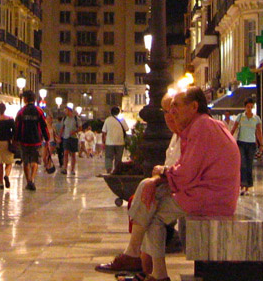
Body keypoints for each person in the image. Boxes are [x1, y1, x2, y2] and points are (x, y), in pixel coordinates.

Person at [95, 87, 240, 281]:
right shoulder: (205, 125)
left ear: (194, 106)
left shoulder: (201, 127)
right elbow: (186, 169)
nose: (171, 113)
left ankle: (141, 261)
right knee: (150, 194)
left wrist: (162, 172)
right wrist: (161, 176)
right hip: (210, 192)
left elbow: (186, 173)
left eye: (176, 107)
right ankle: (149, 268)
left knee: (153, 210)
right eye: (169, 109)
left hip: (211, 197)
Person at [13, 90, 50, 191]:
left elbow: (17, 126)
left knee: (25, 161)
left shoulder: (21, 111)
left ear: (25, 99)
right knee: (34, 161)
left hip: (24, 140)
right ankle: (32, 180)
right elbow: (44, 126)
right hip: (36, 140)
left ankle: (28, 180)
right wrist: (47, 138)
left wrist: (15, 140)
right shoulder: (39, 111)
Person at [230, 98, 263, 195]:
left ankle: (247, 187)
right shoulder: (240, 117)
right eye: (247, 107)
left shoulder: (256, 118)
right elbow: (234, 129)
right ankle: (241, 185)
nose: (249, 108)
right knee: (242, 164)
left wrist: (261, 144)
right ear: (245, 107)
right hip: (241, 143)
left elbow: (259, 132)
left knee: (249, 164)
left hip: (251, 144)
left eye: (251, 107)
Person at [0, 103, 15, 189]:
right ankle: (6, 175)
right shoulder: (10, 120)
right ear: (5, 109)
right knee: (9, 162)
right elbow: (14, 131)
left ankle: (1, 183)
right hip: (6, 142)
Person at [102, 106, 129, 174]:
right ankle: (117, 170)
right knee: (118, 158)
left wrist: (103, 142)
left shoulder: (107, 120)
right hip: (120, 142)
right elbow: (127, 129)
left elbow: (104, 132)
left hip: (109, 142)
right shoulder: (121, 119)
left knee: (108, 157)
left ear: (111, 112)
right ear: (119, 112)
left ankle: (108, 169)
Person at [60, 105, 81, 175]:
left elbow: (80, 128)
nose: (65, 112)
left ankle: (72, 169)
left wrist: (75, 132)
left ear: (70, 111)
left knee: (73, 154)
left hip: (74, 138)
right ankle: (65, 168)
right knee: (65, 153)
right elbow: (62, 128)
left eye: (66, 111)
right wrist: (60, 136)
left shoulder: (76, 119)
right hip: (66, 137)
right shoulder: (65, 118)